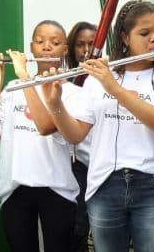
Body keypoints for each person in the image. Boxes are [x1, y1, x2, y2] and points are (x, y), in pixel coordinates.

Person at [41, 0, 154, 252]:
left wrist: (115, 88)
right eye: (145, 33)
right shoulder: (98, 79)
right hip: (104, 185)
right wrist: (55, 104)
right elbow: (75, 134)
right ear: (124, 37)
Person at [0, 20, 80, 252]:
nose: (46, 47)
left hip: (57, 189)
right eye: (40, 41)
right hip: (16, 189)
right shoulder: (12, 89)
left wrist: (24, 75)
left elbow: (45, 126)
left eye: (55, 42)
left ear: (65, 49)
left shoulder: (73, 93)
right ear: (31, 46)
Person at [66, 21, 97, 252]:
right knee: (73, 226)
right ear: (71, 48)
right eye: (80, 44)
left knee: (91, 225)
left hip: (96, 163)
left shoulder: (106, 80)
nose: (86, 50)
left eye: (91, 44)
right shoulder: (64, 78)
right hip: (70, 163)